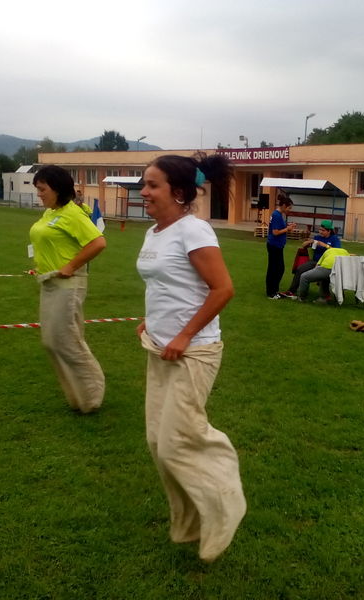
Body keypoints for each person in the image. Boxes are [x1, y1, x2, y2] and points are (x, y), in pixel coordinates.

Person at [136, 153, 246, 563]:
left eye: (152, 185)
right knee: (156, 441)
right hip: (160, 348)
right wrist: (151, 322)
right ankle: (190, 523)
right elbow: (165, 285)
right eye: (144, 184)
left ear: (178, 192)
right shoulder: (154, 233)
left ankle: (227, 504)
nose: (143, 192)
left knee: (178, 442)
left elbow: (223, 289)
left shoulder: (194, 230)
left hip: (195, 351)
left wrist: (184, 334)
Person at [29, 165, 106, 413]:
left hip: (67, 285)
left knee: (66, 340)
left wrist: (71, 266)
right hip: (49, 283)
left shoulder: (72, 214)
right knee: (52, 341)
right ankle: (79, 398)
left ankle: (91, 395)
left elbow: (98, 242)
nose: (39, 194)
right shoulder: (50, 213)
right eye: (38, 189)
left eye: (42, 189)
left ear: (57, 189)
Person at [280, 219, 342, 298]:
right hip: (315, 261)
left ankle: (324, 295)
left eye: (323, 230)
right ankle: (291, 291)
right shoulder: (317, 237)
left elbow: (337, 251)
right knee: (300, 269)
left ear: (329, 231)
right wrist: (308, 242)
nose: (320, 232)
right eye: (320, 230)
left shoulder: (334, 239)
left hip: (326, 264)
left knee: (322, 276)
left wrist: (325, 245)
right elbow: (303, 246)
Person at [265, 194, 295, 299]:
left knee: (278, 268)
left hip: (278, 246)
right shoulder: (277, 215)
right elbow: (275, 232)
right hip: (274, 245)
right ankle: (271, 292)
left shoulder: (279, 214)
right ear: (284, 206)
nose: (289, 210)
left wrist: (288, 227)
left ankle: (274, 290)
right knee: (275, 269)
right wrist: (287, 229)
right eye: (289, 208)